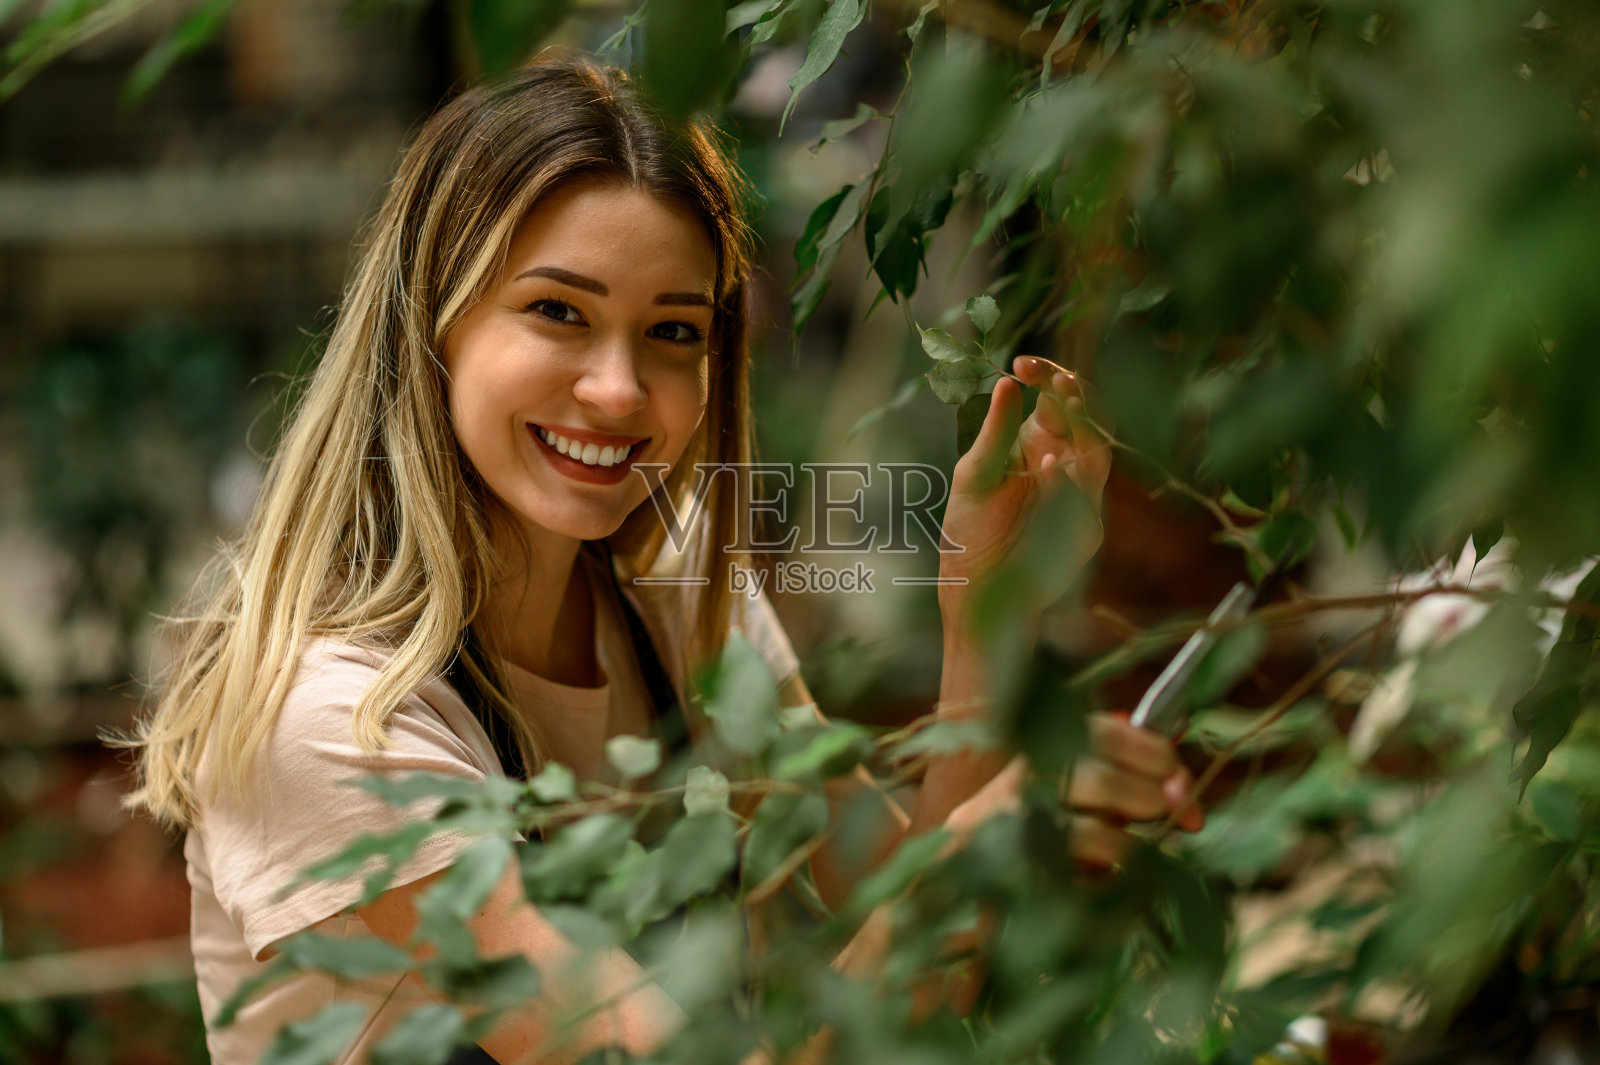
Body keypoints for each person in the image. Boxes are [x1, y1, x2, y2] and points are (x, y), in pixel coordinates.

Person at [121, 53, 1203, 1065]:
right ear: (433, 322)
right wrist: (975, 856)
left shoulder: (677, 592)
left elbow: (908, 949)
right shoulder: (329, 723)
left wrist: (990, 604)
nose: (618, 390)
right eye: (558, 312)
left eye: (672, 331)